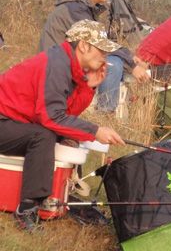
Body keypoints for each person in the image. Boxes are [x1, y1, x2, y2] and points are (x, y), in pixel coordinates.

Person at [0, 20, 125, 231]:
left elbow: (65, 115)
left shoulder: (68, 63)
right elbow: (52, 118)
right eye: (101, 50)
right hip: (4, 120)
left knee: (64, 135)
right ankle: (27, 209)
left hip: (15, 121)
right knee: (43, 136)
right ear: (83, 46)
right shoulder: (57, 65)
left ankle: (61, 193)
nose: (105, 56)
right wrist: (95, 131)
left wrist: (88, 87)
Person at [39, 0, 149, 113]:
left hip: (67, 61)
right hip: (56, 68)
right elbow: (99, 45)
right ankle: (105, 113)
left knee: (117, 62)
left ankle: (112, 108)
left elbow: (101, 42)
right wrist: (131, 65)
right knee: (113, 64)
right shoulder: (75, 9)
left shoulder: (82, 7)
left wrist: (129, 57)